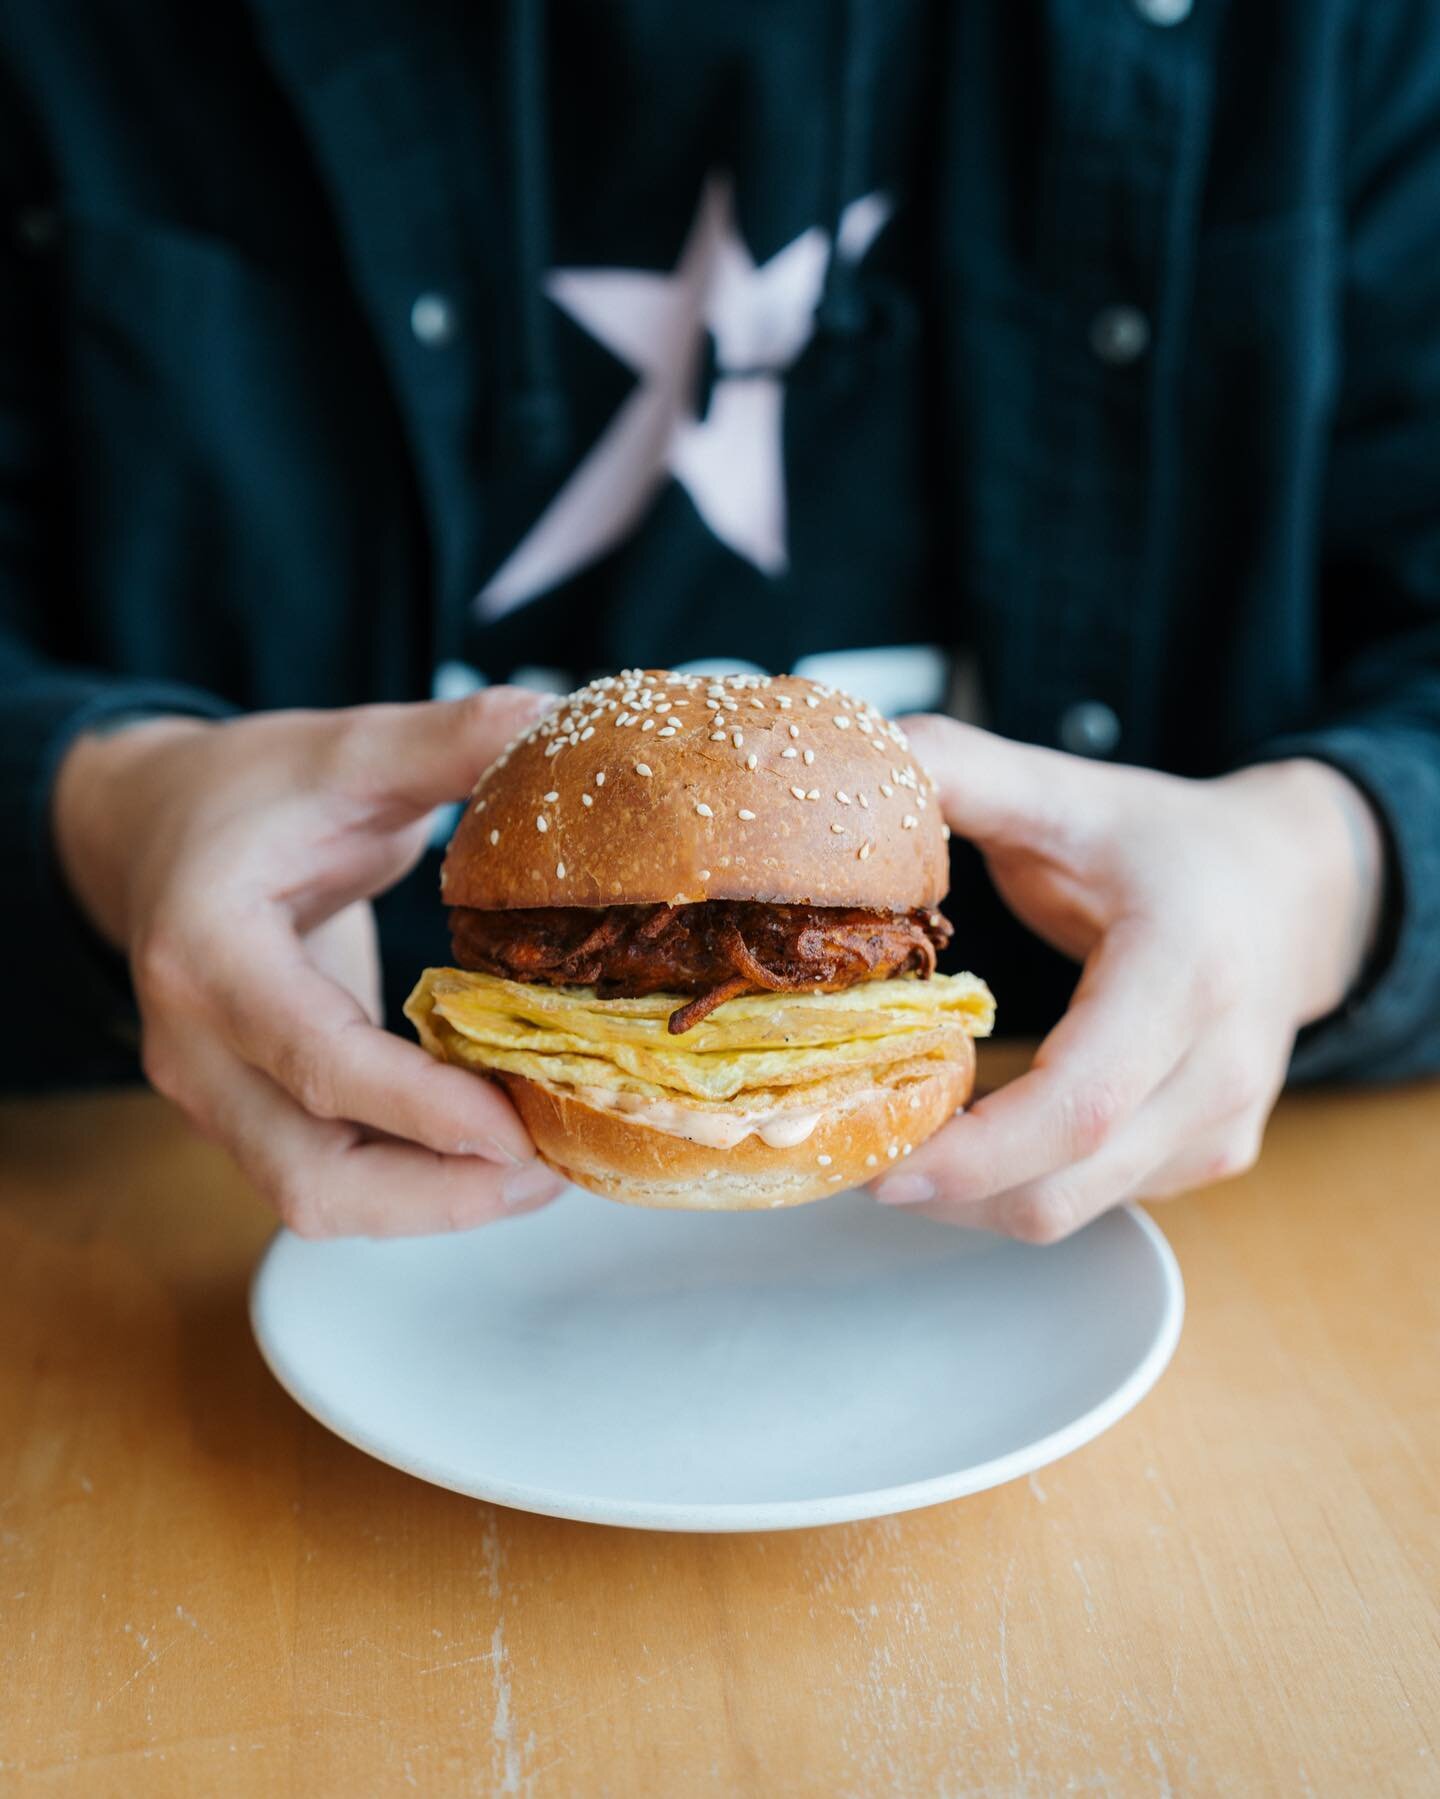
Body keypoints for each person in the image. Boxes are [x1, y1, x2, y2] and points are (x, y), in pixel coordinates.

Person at [3, 3, 1436, 1244]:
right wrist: (105, 808)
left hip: (1197, 1256)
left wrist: (1323, 867)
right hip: (154, 1215)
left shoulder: (1330, 29)